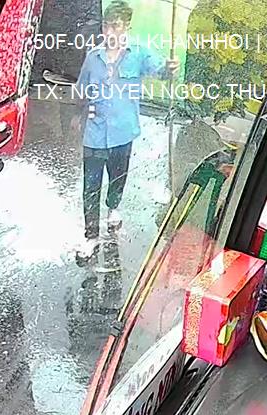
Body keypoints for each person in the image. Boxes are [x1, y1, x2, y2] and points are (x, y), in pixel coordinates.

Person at [74, 1, 178, 269]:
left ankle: (113, 208)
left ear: (127, 27)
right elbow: (81, 90)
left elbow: (161, 71)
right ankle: (90, 237)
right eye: (106, 25)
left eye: (116, 26)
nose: (110, 31)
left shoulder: (139, 53)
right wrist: (78, 114)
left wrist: (169, 69)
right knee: (90, 187)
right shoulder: (93, 57)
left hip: (123, 133)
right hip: (94, 135)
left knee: (117, 177)